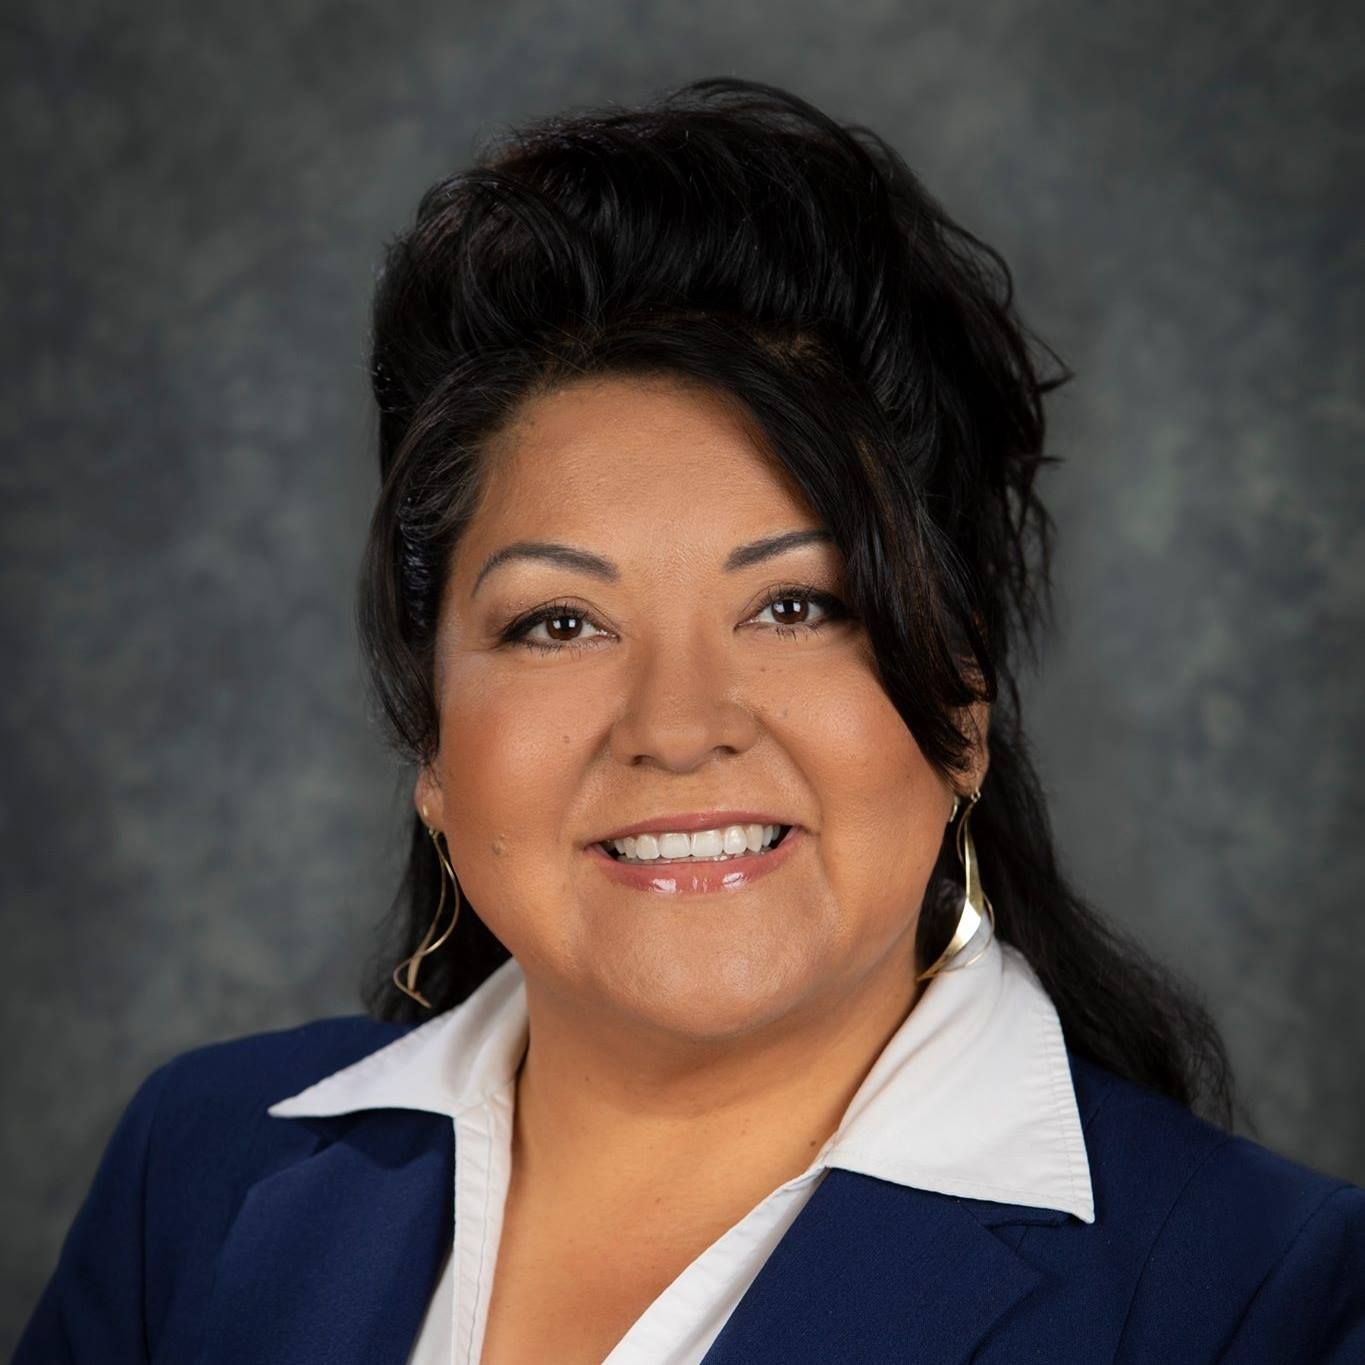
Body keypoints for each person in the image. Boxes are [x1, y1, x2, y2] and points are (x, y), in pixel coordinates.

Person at [15, 76, 1364, 1365]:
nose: (676, 726)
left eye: (793, 608)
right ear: (428, 738)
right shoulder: (195, 1172)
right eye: (558, 622)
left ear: (958, 707)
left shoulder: (1269, 1303)